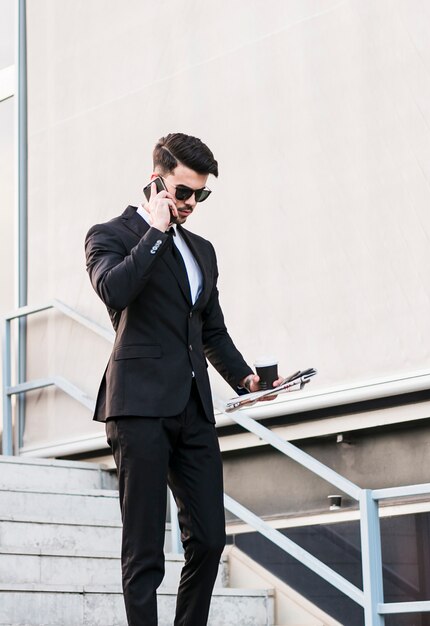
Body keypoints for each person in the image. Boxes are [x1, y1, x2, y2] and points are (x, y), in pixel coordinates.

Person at [84, 133, 280, 625]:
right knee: (145, 549)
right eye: (184, 192)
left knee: (211, 539)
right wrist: (154, 230)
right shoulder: (110, 235)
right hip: (137, 408)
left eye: (201, 195)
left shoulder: (202, 251)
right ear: (157, 179)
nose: (192, 204)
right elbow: (116, 290)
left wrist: (247, 379)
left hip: (193, 410)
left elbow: (211, 328)